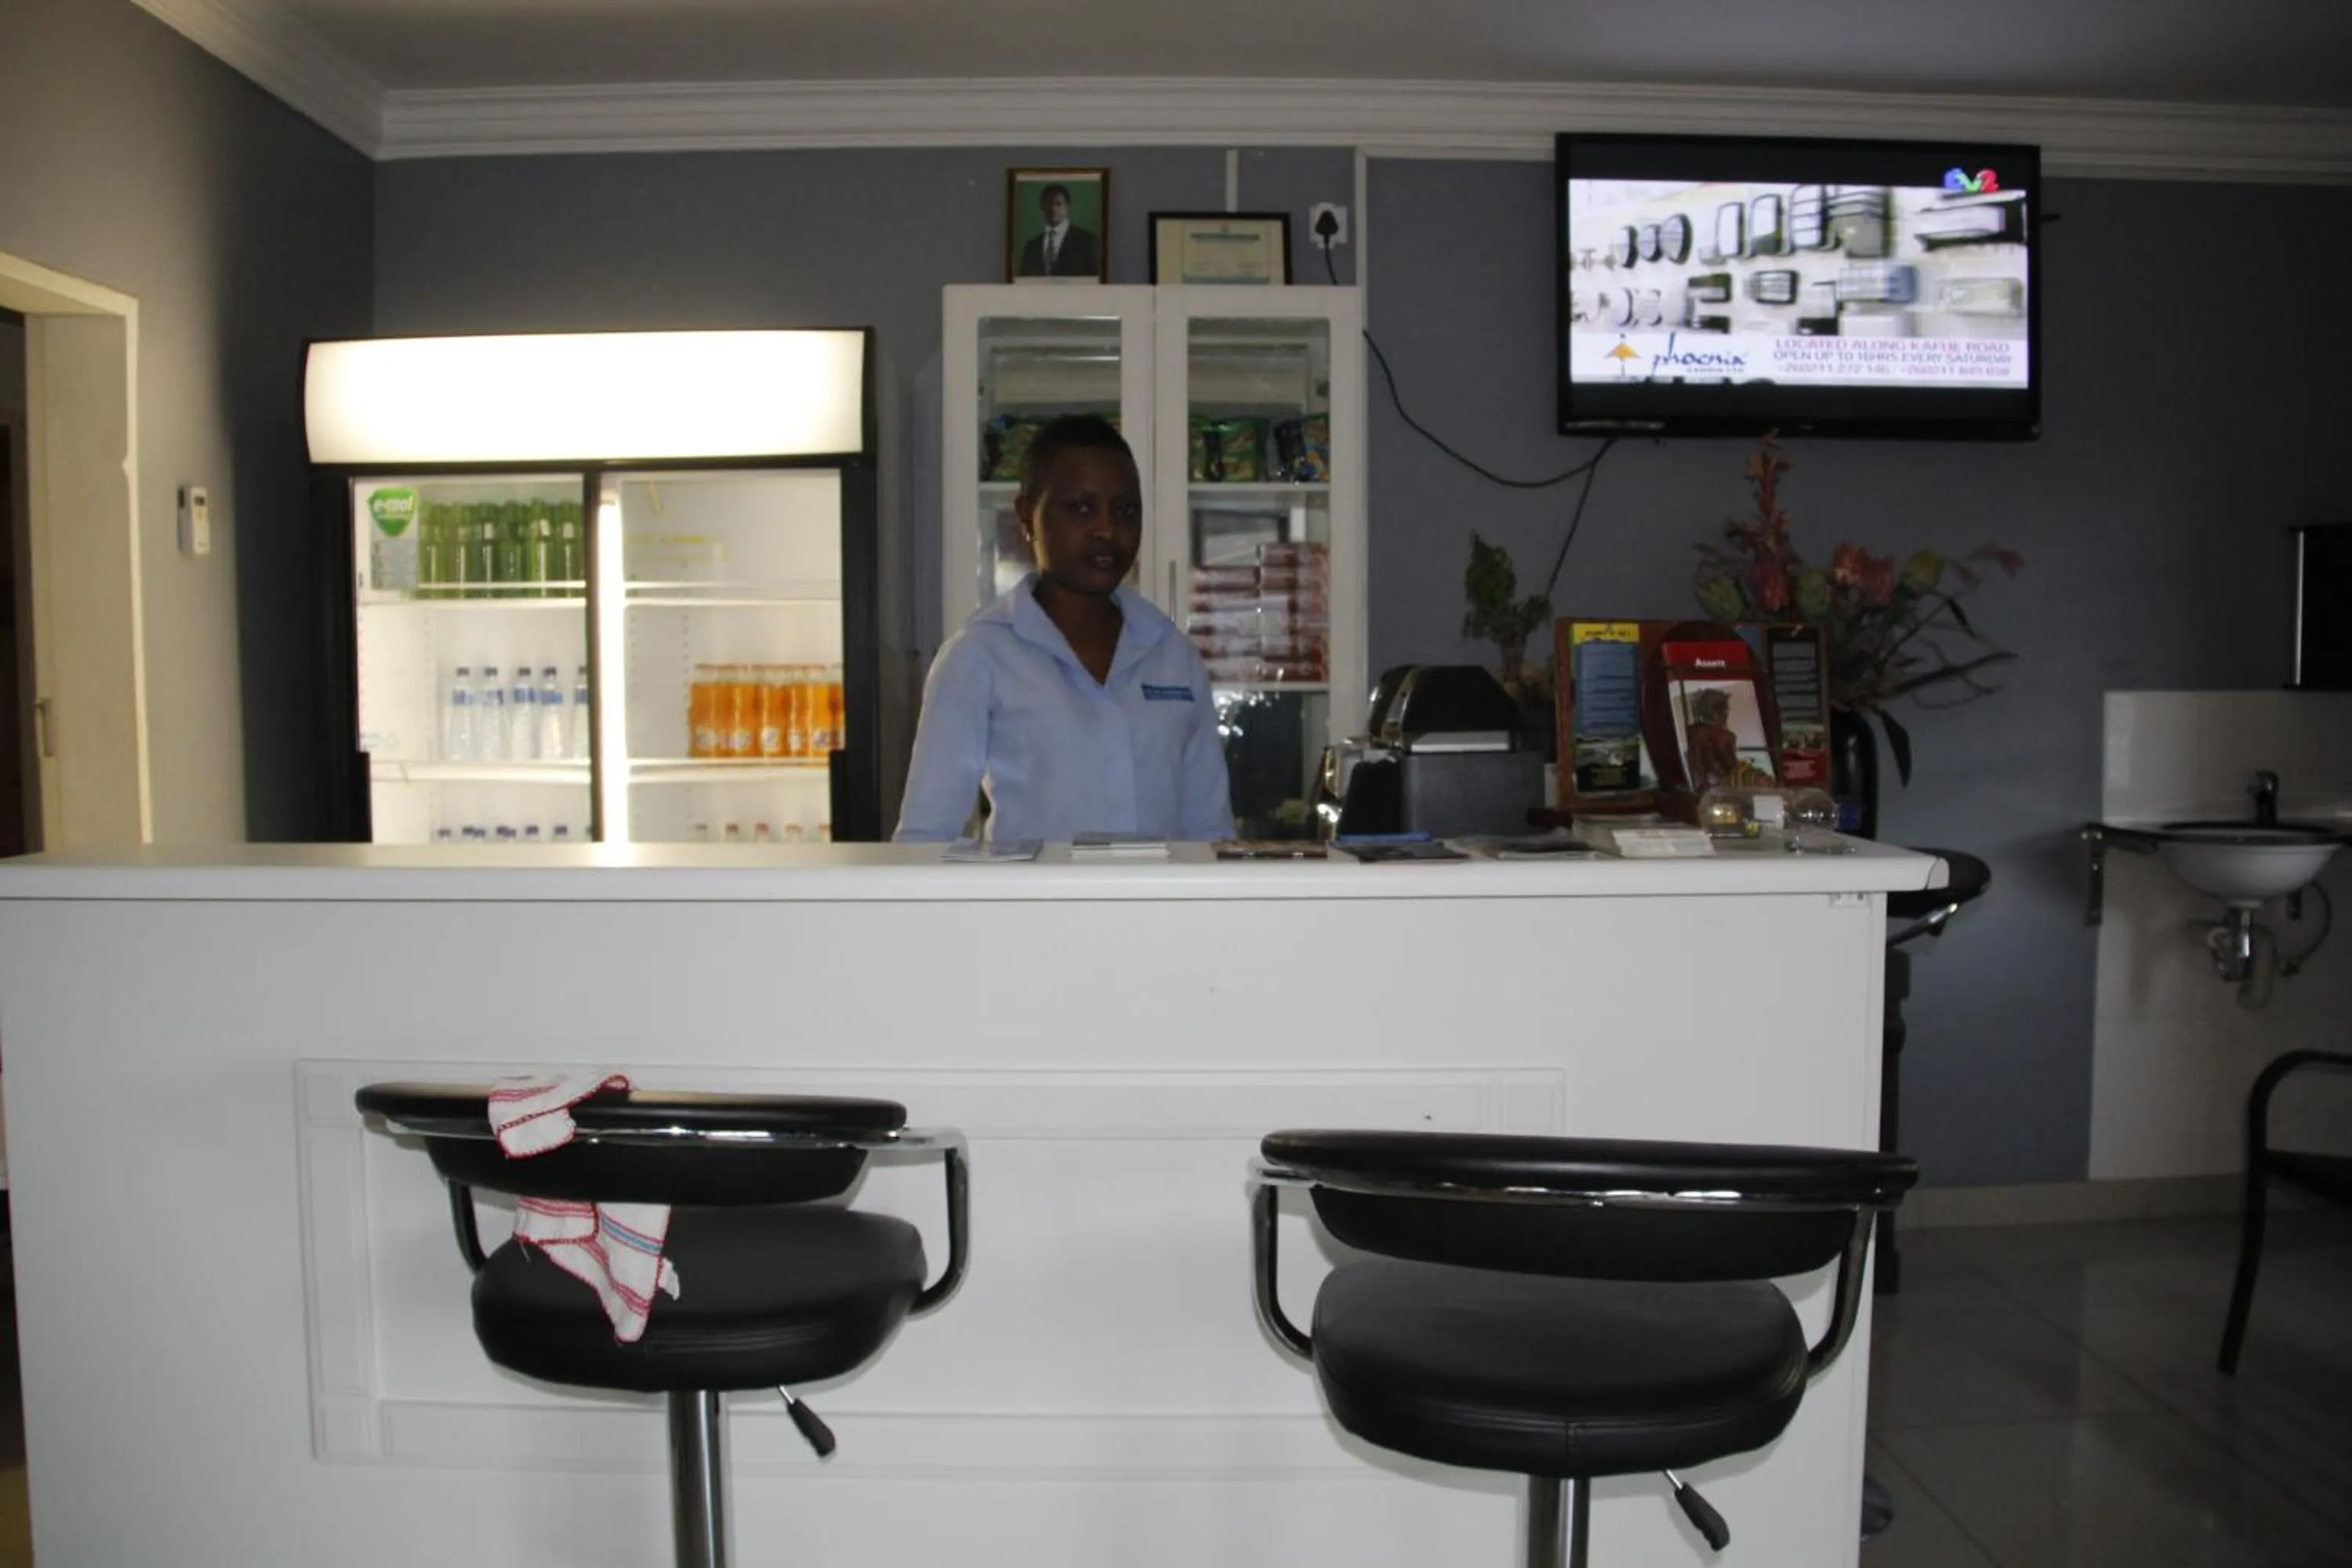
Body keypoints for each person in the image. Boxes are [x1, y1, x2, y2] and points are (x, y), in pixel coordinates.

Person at [895, 416, 1234, 844]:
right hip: (1032, 910)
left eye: (1126, 510)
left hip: (1159, 911)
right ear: (1026, 517)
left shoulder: (1173, 655)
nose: (1107, 530)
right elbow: (926, 839)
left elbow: (1211, 832)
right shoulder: (980, 655)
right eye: (1080, 508)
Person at [1017, 184, 1101, 279]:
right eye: (1048, 203)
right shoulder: (1031, 247)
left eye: (1058, 204)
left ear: (1068, 207)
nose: (1053, 209)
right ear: (1041, 207)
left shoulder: (1087, 241)